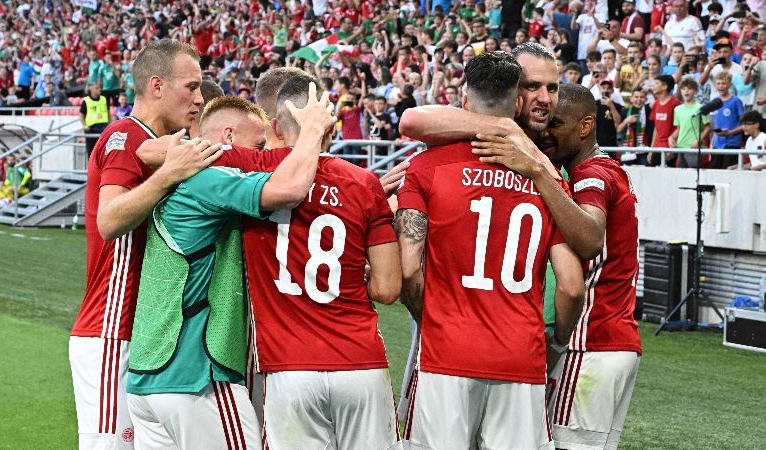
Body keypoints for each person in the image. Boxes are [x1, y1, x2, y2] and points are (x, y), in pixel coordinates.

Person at [126, 85, 335, 450]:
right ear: (227, 137)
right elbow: (288, 190)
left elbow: (146, 150)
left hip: (148, 380)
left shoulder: (179, 178)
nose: (264, 154)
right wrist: (313, 132)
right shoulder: (210, 179)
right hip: (196, 374)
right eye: (258, 145)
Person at [397, 51, 585, 449]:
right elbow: (571, 285)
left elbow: (409, 266)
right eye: (534, 87)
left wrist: (430, 316)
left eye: (552, 88)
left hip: (447, 349)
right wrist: (558, 343)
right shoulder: (547, 177)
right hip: (521, 353)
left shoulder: (427, 166)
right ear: (517, 101)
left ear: (464, 101)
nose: (544, 99)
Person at [214, 74, 401, 450]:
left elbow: (183, 149)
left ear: (274, 127)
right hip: (359, 362)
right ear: (329, 126)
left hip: (289, 368)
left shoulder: (253, 168)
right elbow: (387, 288)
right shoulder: (364, 184)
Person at [471, 82, 642, 450]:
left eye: (557, 123)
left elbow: (590, 233)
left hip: (589, 343)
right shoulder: (611, 169)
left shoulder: (590, 176)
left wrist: (537, 173)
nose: (546, 133)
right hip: (618, 342)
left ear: (585, 126)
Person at [69, 39, 222, 450]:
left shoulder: (154, 142)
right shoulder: (124, 135)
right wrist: (167, 176)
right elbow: (110, 219)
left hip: (146, 331)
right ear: (157, 86)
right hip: (111, 327)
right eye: (190, 87)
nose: (199, 97)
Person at [670, 78, 711, 168]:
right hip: (681, 146)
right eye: (683, 89)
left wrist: (698, 141)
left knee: (693, 172)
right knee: (681, 174)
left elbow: (708, 127)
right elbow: (679, 128)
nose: (686, 91)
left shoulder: (700, 107)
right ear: (680, 91)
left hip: (694, 147)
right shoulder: (677, 109)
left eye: (689, 88)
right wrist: (671, 137)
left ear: (695, 91)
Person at [710, 71, 745, 169]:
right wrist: (713, 141)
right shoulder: (715, 102)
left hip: (732, 143)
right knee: (715, 170)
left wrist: (730, 132)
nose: (721, 86)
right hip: (718, 144)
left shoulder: (736, 101)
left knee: (728, 171)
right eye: (718, 83)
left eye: (724, 83)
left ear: (730, 84)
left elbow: (744, 124)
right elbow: (716, 123)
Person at [648, 75, 680, 166]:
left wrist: (674, 147)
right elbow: (656, 128)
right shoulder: (655, 104)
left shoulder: (675, 104)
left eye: (656, 83)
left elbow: (680, 126)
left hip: (670, 148)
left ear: (665, 86)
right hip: (657, 148)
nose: (653, 86)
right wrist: (651, 149)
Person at [80, 83, 111, 158]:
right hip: (91, 128)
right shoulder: (86, 101)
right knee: (91, 152)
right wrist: (84, 125)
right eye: (97, 88)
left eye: (99, 88)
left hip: (103, 128)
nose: (99, 89)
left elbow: (108, 112)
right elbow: (81, 115)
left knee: (104, 151)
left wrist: (109, 124)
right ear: (92, 89)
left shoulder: (104, 99)